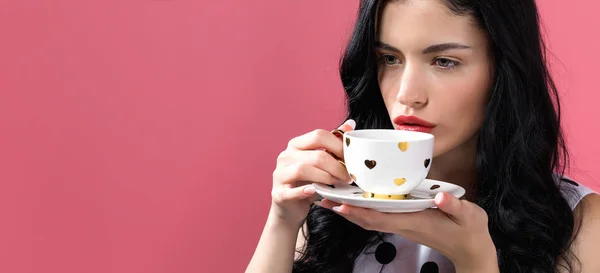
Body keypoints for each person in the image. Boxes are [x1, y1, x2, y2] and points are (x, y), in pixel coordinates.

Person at [245, 0, 600, 272]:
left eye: (444, 61)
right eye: (390, 58)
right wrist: (282, 220)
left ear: (504, 71)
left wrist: (474, 259)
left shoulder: (580, 222)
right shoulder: (334, 199)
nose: (407, 94)